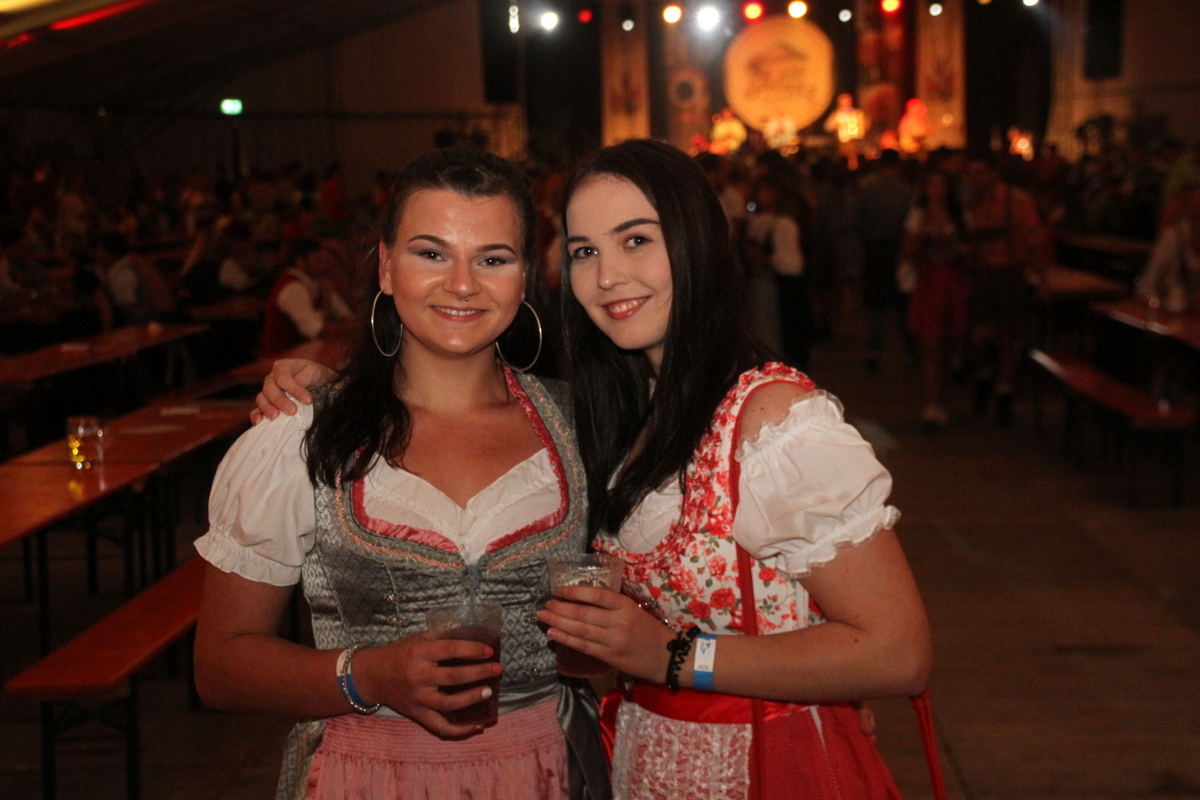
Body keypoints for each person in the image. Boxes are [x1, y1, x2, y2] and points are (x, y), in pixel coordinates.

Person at [259, 141, 932, 799]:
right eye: (584, 251)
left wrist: (667, 656)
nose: (608, 276)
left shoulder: (773, 420)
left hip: (761, 765)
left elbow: (899, 652)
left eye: (636, 240)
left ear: (697, 244)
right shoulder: (624, 412)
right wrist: (335, 391)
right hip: (642, 760)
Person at [194, 148, 609, 800]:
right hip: (363, 778)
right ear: (386, 267)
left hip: (548, 772)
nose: (462, 284)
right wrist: (367, 675)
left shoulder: (586, 428)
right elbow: (220, 665)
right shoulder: (301, 435)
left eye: (493, 259)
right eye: (432, 253)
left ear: (526, 277)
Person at [903, 171, 971, 428]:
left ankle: (942, 401)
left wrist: (961, 249)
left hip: (953, 282)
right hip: (929, 282)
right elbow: (906, 250)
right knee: (930, 345)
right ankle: (931, 404)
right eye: (932, 184)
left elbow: (971, 249)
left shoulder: (960, 216)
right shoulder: (918, 215)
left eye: (941, 184)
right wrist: (923, 234)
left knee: (949, 346)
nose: (937, 189)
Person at [261, 237, 354, 356]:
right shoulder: (292, 288)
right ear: (300, 262)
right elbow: (316, 331)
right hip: (284, 360)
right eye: (319, 261)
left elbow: (347, 316)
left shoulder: (318, 283)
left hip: (309, 355)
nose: (324, 266)